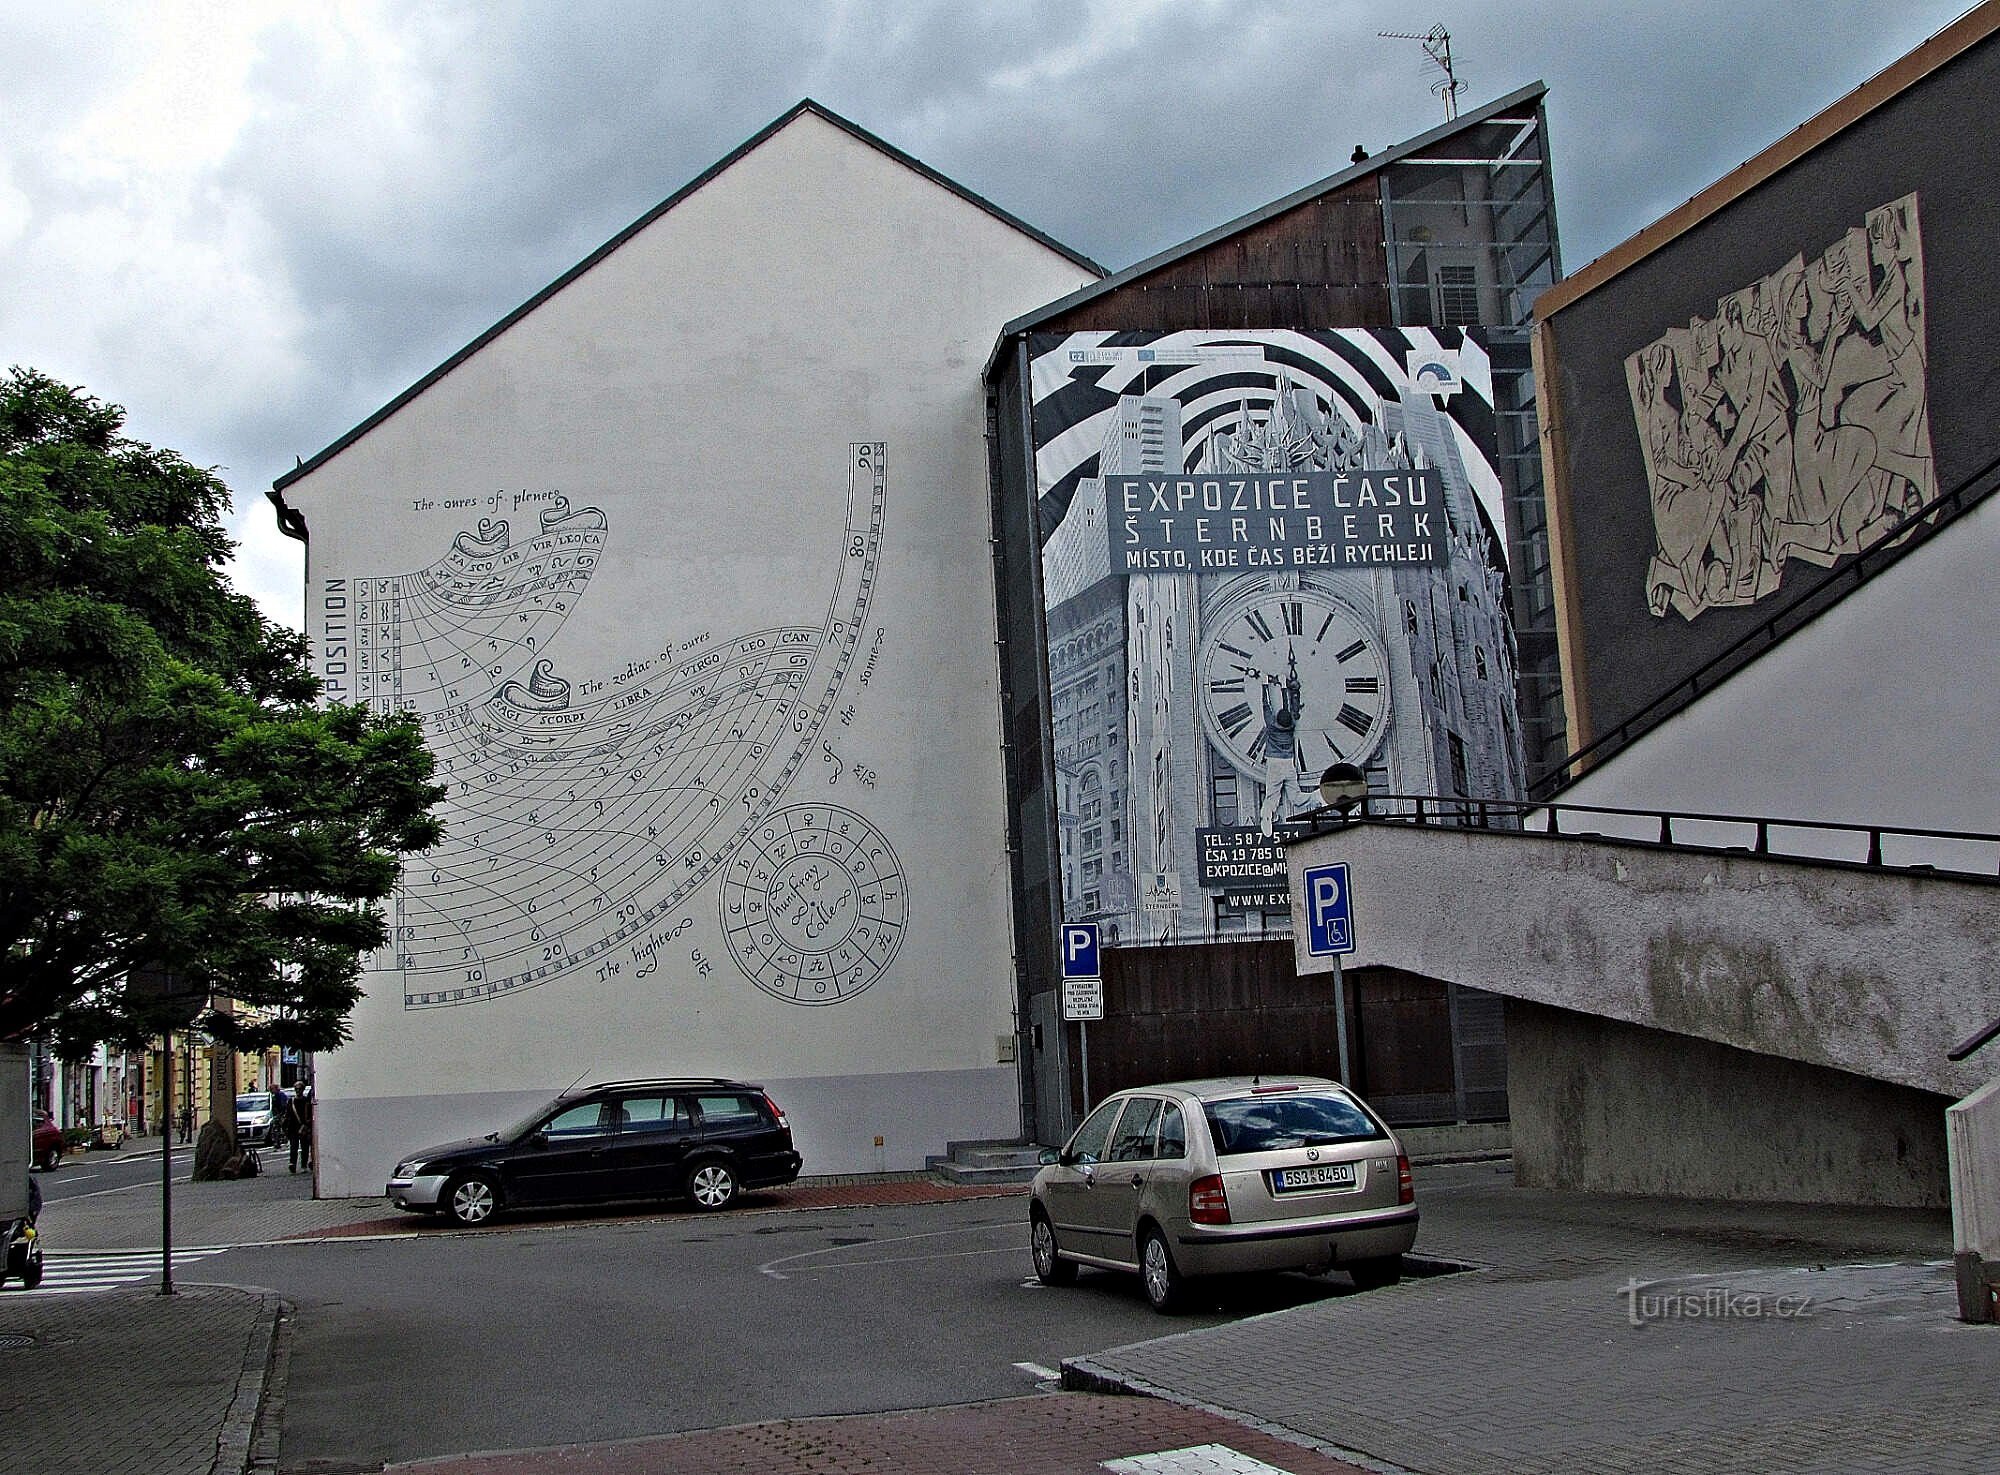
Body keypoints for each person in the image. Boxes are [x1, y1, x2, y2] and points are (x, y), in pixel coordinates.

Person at [288, 1085, 314, 1173]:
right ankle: (293, 1164)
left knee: (305, 1147)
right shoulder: (291, 1101)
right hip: (293, 1127)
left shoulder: (306, 1101)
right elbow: (288, 1114)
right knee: (293, 1147)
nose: (298, 1091)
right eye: (296, 1089)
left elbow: (309, 1113)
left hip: (304, 1127)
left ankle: (303, 1165)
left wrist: (307, 1125)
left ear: (303, 1090)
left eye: (300, 1089)